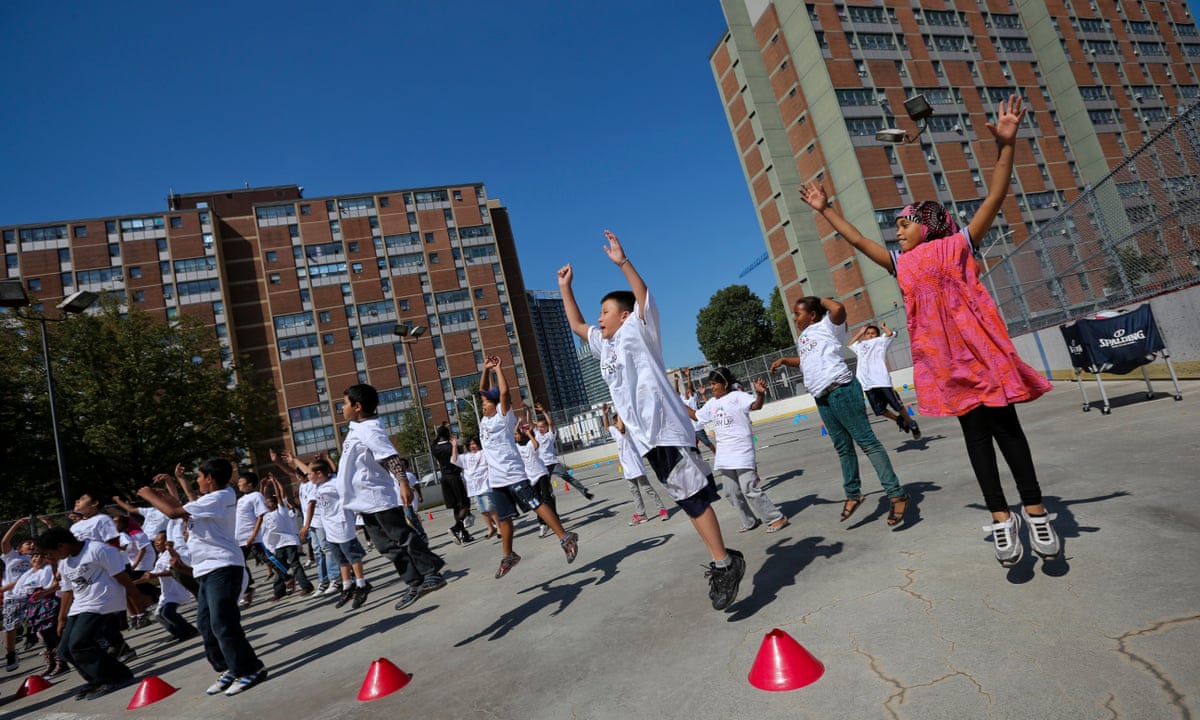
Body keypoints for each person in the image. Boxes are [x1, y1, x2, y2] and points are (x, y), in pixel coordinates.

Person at [797, 95, 1059, 566]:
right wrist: (825, 210)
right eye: (895, 226)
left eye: (903, 224)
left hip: (982, 352)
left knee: (1009, 433)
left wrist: (1006, 147)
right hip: (947, 362)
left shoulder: (959, 244)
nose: (896, 231)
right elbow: (857, 241)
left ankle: (1036, 511)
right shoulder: (901, 264)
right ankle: (1002, 519)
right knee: (976, 440)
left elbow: (995, 197)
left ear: (927, 225)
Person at [558, 230, 746, 611]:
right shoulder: (605, 346)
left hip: (666, 429)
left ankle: (725, 562)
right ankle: (725, 559)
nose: (600, 318)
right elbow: (578, 326)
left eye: (605, 311)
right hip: (646, 440)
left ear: (625, 315)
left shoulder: (639, 329)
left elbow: (642, 294)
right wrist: (565, 288)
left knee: (693, 498)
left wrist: (623, 262)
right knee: (687, 499)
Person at [770, 297, 910, 527]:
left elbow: (838, 308)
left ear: (813, 314)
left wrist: (817, 299)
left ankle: (896, 494)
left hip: (841, 390)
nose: (794, 318)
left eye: (798, 313)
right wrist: (786, 360)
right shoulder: (804, 337)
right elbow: (807, 362)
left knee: (867, 442)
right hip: (822, 397)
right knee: (843, 448)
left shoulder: (827, 325)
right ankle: (853, 494)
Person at [137, 459, 269, 696]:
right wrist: (164, 495)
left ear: (209, 478)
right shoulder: (212, 499)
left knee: (223, 622)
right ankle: (227, 666)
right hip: (206, 569)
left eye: (198, 476)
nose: (197, 481)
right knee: (206, 624)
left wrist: (148, 495)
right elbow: (180, 507)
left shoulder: (220, 497)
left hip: (224, 566)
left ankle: (250, 669)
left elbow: (174, 512)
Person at [338, 383, 447, 611]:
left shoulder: (370, 428)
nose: (342, 407)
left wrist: (403, 482)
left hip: (377, 497)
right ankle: (415, 583)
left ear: (357, 406)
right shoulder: (357, 428)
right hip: (364, 502)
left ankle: (431, 573)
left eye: (345, 403)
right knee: (386, 547)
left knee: (403, 537)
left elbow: (390, 457)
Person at [477, 355, 579, 578]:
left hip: (513, 474)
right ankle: (508, 555)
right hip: (497, 480)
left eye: (486, 404)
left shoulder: (503, 417)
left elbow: (503, 393)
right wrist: (486, 370)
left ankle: (565, 536)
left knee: (537, 503)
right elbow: (483, 389)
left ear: (496, 407)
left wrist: (499, 370)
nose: (483, 407)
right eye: (483, 404)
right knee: (504, 519)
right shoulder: (484, 421)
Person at [36, 526, 148, 700]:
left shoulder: (98, 549)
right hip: (80, 605)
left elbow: (122, 577)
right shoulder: (64, 562)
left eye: (51, 553)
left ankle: (119, 676)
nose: (50, 558)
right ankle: (96, 679)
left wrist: (137, 599)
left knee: (80, 644)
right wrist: (61, 619)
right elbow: (67, 591)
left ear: (62, 546)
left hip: (103, 601)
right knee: (65, 650)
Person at [689, 369, 788, 534]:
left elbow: (756, 405)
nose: (711, 388)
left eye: (714, 384)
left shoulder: (737, 397)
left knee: (748, 487)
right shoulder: (712, 403)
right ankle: (749, 521)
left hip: (742, 451)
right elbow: (697, 416)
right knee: (731, 492)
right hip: (725, 455)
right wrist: (677, 404)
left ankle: (776, 518)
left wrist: (760, 394)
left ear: (725, 384)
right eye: (710, 385)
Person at [303, 459, 371, 610]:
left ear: (319, 474)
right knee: (340, 559)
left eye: (309, 474)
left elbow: (354, 494)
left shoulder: (336, 483)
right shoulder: (317, 485)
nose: (307, 476)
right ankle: (347, 586)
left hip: (342, 524)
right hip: (329, 527)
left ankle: (361, 584)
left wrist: (359, 516)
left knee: (353, 556)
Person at [847, 323, 921, 439]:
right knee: (879, 410)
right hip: (867, 383)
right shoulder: (860, 346)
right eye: (868, 334)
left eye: (873, 333)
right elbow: (850, 344)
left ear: (877, 335)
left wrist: (883, 327)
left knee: (896, 404)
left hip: (881, 380)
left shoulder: (881, 342)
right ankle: (899, 420)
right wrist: (860, 332)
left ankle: (911, 422)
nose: (870, 336)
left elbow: (890, 334)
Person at [276, 449, 335, 594]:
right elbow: (291, 472)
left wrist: (306, 525)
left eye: (306, 473)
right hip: (312, 523)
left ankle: (336, 578)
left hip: (320, 520)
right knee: (318, 552)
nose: (296, 475)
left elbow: (311, 504)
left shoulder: (313, 483)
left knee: (327, 549)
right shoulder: (303, 484)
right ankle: (323, 581)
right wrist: (279, 461)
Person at [601, 402, 668, 525]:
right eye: (615, 423)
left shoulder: (627, 432)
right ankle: (641, 514)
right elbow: (606, 427)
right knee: (634, 492)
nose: (615, 425)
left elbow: (621, 427)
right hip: (627, 470)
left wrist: (619, 409)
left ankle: (662, 509)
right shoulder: (616, 432)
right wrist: (605, 414)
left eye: (616, 422)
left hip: (636, 466)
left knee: (647, 488)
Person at [263, 475, 315, 599]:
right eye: (267, 503)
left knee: (295, 564)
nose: (268, 505)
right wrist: (263, 487)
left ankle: (306, 586)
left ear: (276, 504)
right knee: (280, 568)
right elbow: (262, 498)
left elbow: (280, 495)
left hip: (288, 541)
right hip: (277, 544)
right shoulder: (265, 514)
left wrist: (275, 482)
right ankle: (279, 592)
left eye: (270, 503)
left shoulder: (281, 510)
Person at [530, 402, 596, 500]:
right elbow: (530, 423)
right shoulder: (537, 434)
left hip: (553, 463)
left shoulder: (550, 435)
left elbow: (550, 423)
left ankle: (584, 491)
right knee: (545, 485)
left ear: (546, 427)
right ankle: (549, 500)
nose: (540, 429)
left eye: (542, 427)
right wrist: (527, 410)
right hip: (543, 465)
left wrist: (543, 411)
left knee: (567, 477)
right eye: (539, 427)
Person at [147, 531, 199, 642]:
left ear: (166, 542)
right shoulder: (161, 556)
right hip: (167, 592)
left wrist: (155, 575)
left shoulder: (171, 555)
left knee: (167, 613)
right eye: (155, 542)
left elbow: (173, 570)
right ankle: (177, 631)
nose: (156, 544)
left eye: (159, 541)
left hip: (175, 590)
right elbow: (153, 574)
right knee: (159, 615)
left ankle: (190, 630)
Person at [2, 518, 39, 672]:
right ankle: (11, 654)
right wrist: (16, 524)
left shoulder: (37, 559)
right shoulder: (12, 557)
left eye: (33, 544)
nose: (31, 545)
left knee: (41, 621)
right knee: (10, 626)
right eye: (27, 543)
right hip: (13, 597)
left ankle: (36, 639)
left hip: (32, 595)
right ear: (19, 548)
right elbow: (4, 542)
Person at [431, 425, 475, 544]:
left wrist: (440, 434)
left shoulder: (435, 448)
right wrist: (453, 442)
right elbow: (458, 459)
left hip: (444, 477)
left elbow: (434, 442)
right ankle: (456, 527)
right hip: (454, 476)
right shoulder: (452, 446)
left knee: (455, 506)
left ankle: (463, 533)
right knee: (465, 503)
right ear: (448, 434)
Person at [452, 436, 500, 539]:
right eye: (470, 444)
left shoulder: (484, 453)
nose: (472, 446)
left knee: (490, 507)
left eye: (474, 444)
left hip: (485, 484)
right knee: (482, 510)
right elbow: (455, 459)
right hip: (473, 487)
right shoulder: (465, 456)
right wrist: (455, 446)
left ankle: (499, 528)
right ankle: (490, 528)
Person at [233, 471, 269, 607]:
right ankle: (248, 590)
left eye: (240, 481)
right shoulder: (241, 499)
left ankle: (288, 576)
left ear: (249, 484)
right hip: (240, 538)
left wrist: (253, 535)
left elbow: (260, 516)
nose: (238, 484)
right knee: (238, 564)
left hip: (251, 537)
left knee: (266, 558)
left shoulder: (256, 496)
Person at [515, 423, 557, 539]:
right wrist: (518, 423)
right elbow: (514, 432)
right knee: (536, 502)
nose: (515, 436)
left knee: (547, 498)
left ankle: (553, 519)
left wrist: (528, 433)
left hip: (541, 473)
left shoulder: (530, 443)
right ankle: (542, 523)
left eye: (517, 435)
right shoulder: (517, 447)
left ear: (522, 435)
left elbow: (536, 445)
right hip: (530, 477)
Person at [674, 372, 717, 454]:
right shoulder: (683, 399)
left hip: (698, 428)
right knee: (694, 448)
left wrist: (688, 376)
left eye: (688, 391)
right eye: (686, 391)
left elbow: (689, 387)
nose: (687, 391)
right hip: (689, 429)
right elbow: (676, 392)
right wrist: (676, 381)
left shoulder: (692, 398)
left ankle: (716, 454)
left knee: (707, 443)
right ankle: (699, 460)